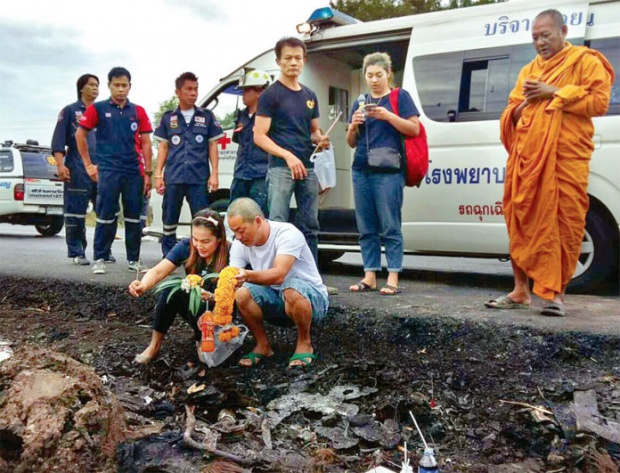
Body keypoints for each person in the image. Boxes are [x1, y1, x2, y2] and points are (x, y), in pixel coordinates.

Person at [485, 9, 613, 316]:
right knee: (520, 218)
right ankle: (520, 291)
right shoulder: (528, 70)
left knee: (565, 223)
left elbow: (599, 102)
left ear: (564, 31)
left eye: (546, 35)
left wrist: (553, 92)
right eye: (535, 37)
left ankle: (556, 297)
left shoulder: (584, 61)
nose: (540, 42)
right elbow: (512, 112)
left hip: (565, 157)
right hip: (527, 157)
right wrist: (526, 104)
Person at [345, 52, 420, 296]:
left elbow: (414, 128)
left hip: (389, 170)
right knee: (366, 226)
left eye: (379, 74)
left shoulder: (400, 97)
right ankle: (369, 275)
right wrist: (354, 124)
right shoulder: (361, 101)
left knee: (390, 225)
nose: (374, 79)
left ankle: (393, 276)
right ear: (364, 76)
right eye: (370, 75)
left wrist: (387, 115)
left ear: (389, 74)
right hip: (361, 170)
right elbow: (350, 142)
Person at [227, 197, 329, 368]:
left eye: (241, 230)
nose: (238, 237)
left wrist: (246, 275)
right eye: (234, 232)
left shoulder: (288, 233)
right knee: (241, 293)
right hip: (276, 298)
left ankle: (305, 343)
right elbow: (233, 278)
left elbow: (279, 274)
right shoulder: (240, 243)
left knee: (291, 288)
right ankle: (263, 345)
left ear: (258, 221)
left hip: (312, 300)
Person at [253, 37, 329, 265]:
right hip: (280, 169)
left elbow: (314, 130)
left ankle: (311, 277)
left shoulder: (309, 95)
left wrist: (321, 139)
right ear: (278, 61)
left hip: (308, 166)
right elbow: (259, 135)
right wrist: (286, 155)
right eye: (288, 58)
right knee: (277, 224)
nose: (293, 62)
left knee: (311, 225)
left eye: (298, 58)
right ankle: (275, 276)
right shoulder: (270, 95)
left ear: (304, 61)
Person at [76, 67, 153, 275]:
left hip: (133, 171)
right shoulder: (98, 108)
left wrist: (148, 173)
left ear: (130, 86)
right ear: (109, 86)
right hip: (108, 171)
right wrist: (88, 165)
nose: (120, 89)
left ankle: (134, 259)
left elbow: (146, 143)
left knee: (134, 217)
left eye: (124, 85)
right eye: (116, 85)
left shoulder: (138, 111)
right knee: (105, 215)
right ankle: (100, 257)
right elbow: (80, 134)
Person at [129, 209, 229, 364]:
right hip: (196, 305)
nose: (199, 246)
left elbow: (237, 295)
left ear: (219, 238)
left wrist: (212, 297)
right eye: (195, 239)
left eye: (205, 241)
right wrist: (143, 284)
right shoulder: (187, 247)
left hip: (221, 310)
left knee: (203, 301)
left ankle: (204, 339)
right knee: (171, 290)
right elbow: (158, 271)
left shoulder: (231, 253)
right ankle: (154, 345)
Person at [153, 72, 224, 257]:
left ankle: (199, 257)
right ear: (178, 91)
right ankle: (168, 257)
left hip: (198, 178)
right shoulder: (168, 118)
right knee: (169, 219)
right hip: (174, 177)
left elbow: (213, 146)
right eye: (189, 89)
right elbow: (163, 147)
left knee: (202, 219)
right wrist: (158, 175)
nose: (193, 93)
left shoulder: (207, 116)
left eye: (196, 89)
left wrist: (214, 173)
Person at [51, 73, 100, 266]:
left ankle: (104, 252)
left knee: (107, 212)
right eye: (91, 85)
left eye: (97, 85)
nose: (95, 88)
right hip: (77, 169)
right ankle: (77, 251)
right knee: (76, 213)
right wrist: (61, 166)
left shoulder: (102, 111)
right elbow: (58, 143)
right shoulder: (70, 111)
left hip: (101, 170)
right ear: (82, 88)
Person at [230, 69, 272, 216]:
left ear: (260, 91)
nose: (243, 94)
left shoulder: (270, 116)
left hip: (260, 174)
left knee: (258, 216)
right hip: (241, 173)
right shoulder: (240, 115)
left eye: (246, 90)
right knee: (236, 214)